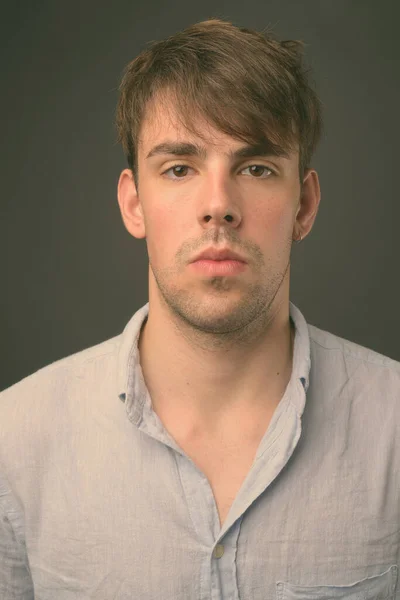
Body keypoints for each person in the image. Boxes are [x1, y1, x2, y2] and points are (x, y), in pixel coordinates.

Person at [0, 18, 399, 600]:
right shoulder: (14, 441)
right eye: (179, 168)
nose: (218, 206)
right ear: (134, 203)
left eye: (256, 168)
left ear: (305, 205)